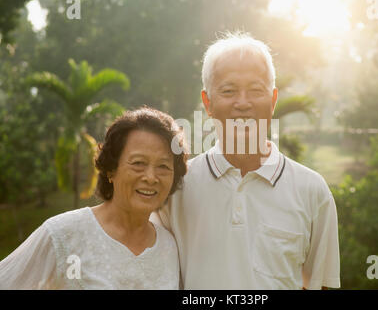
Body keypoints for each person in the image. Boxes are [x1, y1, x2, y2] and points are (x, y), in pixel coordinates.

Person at [154, 32, 340, 289]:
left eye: (255, 90)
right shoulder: (175, 188)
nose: (243, 103)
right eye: (229, 91)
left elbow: (320, 284)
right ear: (208, 103)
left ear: (273, 100)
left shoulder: (312, 191)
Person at [0, 106, 188, 289]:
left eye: (163, 166)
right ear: (111, 170)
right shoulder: (62, 235)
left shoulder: (168, 246)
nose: (150, 177)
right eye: (138, 163)